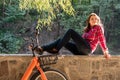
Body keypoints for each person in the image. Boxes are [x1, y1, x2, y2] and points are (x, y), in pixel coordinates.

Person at [30, 13, 111, 59]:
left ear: (98, 20)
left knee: (70, 31)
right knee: (61, 40)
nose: (94, 20)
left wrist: (105, 51)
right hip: (80, 51)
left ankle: (56, 49)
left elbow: (102, 39)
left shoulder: (98, 28)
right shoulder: (88, 30)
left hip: (88, 49)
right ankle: (42, 49)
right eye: (92, 19)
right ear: (89, 21)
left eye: (95, 19)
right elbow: (81, 42)